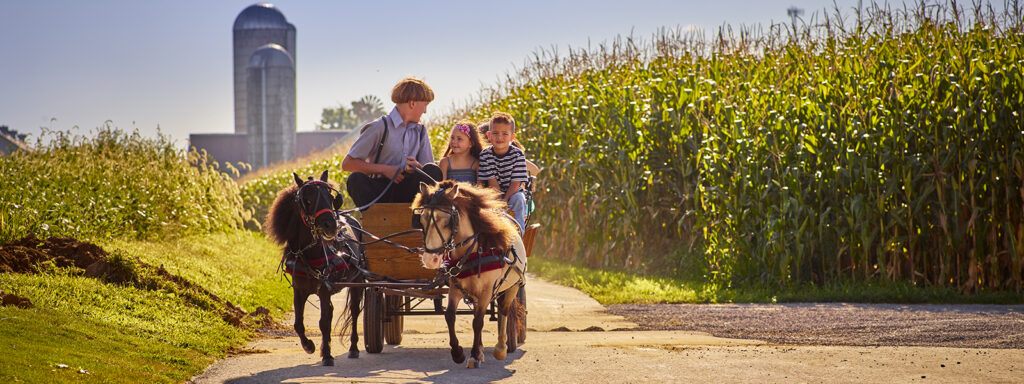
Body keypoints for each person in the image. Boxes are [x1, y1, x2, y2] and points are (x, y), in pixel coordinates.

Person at [341, 77, 442, 207]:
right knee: (355, 179)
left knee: (433, 170)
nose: (425, 111)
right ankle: (375, 218)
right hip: (379, 193)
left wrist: (417, 167)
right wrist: (385, 170)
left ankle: (422, 217)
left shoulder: (421, 131)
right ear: (412, 103)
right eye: (425, 105)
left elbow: (427, 170)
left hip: (410, 194)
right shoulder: (379, 127)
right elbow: (348, 164)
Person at [478, 112, 530, 232]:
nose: (499, 138)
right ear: (489, 135)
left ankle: (518, 233)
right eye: (495, 133)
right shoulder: (486, 155)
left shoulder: (517, 155)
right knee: (487, 204)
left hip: (513, 191)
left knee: (518, 199)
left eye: (505, 134)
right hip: (493, 191)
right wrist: (499, 201)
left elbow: (515, 184)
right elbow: (492, 182)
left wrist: (505, 200)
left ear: (512, 137)